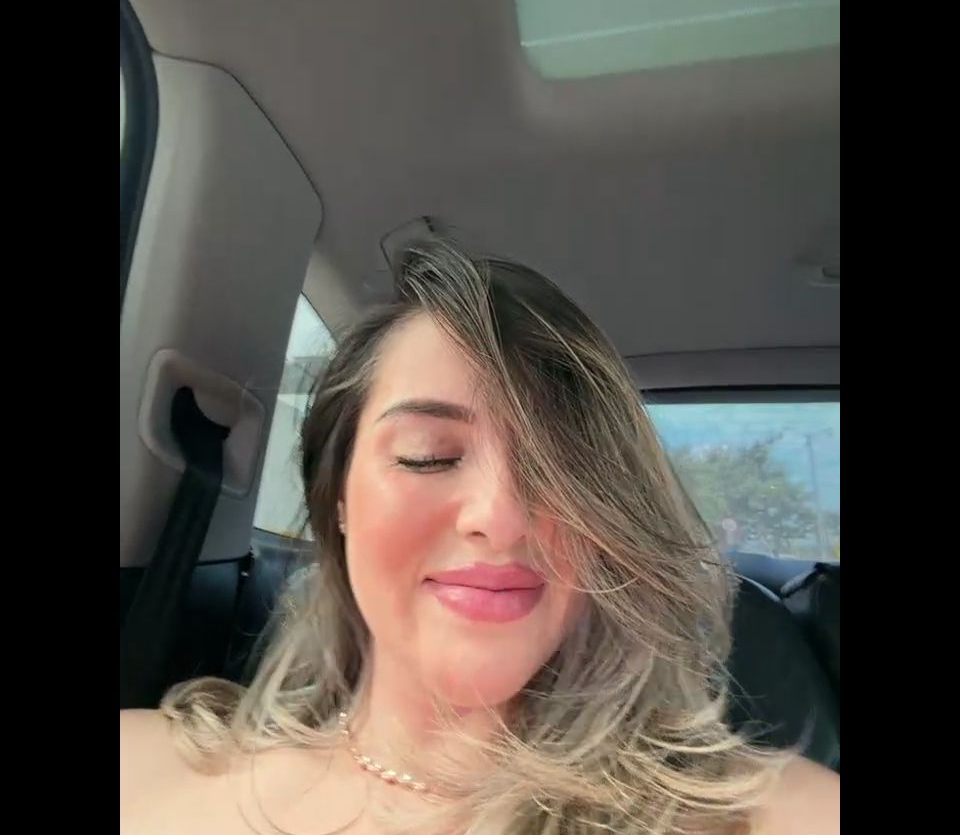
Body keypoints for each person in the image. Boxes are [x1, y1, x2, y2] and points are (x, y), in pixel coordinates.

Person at [121, 239, 839, 834]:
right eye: (427, 456)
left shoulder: (770, 814)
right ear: (337, 498)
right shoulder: (143, 767)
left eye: (560, 468)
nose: (502, 518)